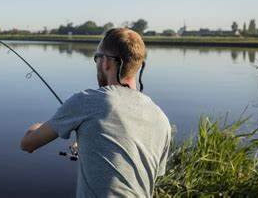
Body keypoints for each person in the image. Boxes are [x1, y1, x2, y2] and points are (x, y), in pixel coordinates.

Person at [20, 28, 171, 198]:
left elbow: (27, 144)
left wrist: (39, 126)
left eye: (97, 58)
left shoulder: (87, 101)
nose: (97, 63)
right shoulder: (160, 118)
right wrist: (87, 138)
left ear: (106, 62)